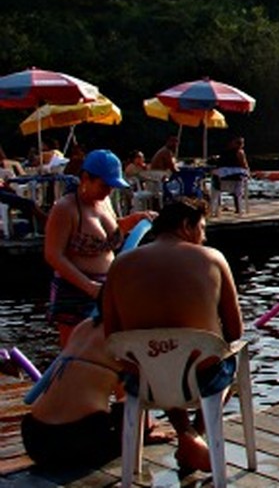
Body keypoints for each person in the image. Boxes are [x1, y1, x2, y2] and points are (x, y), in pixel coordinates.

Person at [102, 198, 243, 473]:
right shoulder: (213, 259)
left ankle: (186, 433)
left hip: (145, 381)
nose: (203, 237)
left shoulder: (120, 265)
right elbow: (235, 332)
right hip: (201, 378)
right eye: (202, 228)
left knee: (159, 363)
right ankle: (195, 435)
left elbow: (111, 335)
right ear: (186, 226)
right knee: (226, 362)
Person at [43, 149, 155, 346]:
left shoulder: (104, 202)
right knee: (77, 354)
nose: (109, 191)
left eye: (112, 186)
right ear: (86, 178)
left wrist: (134, 220)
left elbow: (109, 232)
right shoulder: (65, 208)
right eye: (104, 185)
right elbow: (53, 254)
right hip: (76, 292)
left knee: (111, 352)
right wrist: (89, 286)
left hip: (106, 288)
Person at [20, 308, 125, 468]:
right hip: (78, 439)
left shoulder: (84, 326)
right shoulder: (127, 335)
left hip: (34, 437)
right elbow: (131, 398)